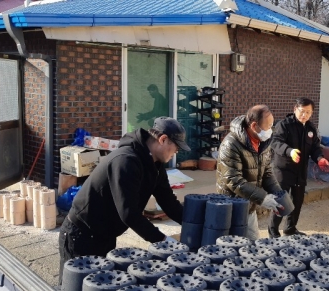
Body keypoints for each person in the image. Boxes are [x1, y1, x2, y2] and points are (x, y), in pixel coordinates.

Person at [58, 116, 191, 284]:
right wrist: (164, 241)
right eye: (176, 148)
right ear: (163, 139)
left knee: (99, 285)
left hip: (105, 235)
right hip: (81, 234)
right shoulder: (126, 160)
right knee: (74, 286)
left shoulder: (155, 166)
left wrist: (194, 224)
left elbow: (169, 203)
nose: (176, 153)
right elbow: (129, 214)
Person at [216, 105, 285, 240]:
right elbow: (233, 180)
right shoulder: (231, 144)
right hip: (232, 207)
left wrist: (278, 194)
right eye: (268, 126)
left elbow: (267, 172)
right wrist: (263, 198)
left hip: (250, 206)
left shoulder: (263, 143)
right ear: (254, 126)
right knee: (235, 248)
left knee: (252, 246)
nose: (270, 130)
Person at [268, 98, 329, 238]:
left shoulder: (310, 128)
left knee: (297, 201)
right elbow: (275, 142)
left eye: (308, 112)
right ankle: (273, 232)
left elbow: (315, 147)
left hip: (301, 170)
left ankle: (290, 229)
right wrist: (290, 151)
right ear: (295, 109)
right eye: (302, 111)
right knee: (281, 201)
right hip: (283, 170)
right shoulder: (284, 125)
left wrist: (320, 158)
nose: (305, 115)